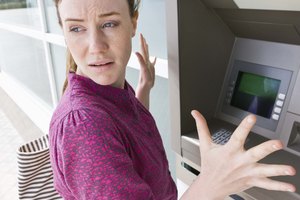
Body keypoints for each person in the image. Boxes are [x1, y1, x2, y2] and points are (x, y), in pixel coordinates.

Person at [49, 0, 296, 199]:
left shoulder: (107, 93)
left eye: (109, 24)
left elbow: (125, 134)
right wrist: (212, 182)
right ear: (64, 30)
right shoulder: (83, 125)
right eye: (76, 28)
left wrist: (144, 89)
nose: (96, 47)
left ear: (133, 22)